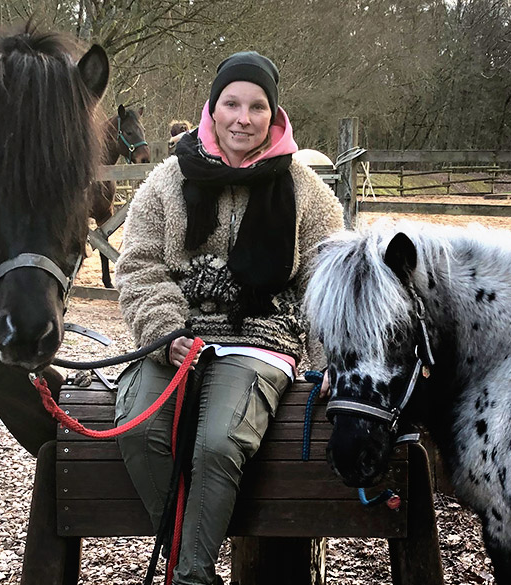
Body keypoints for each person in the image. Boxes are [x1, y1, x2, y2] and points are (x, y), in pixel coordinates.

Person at [114, 50, 344, 585]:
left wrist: (332, 358)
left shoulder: (308, 192)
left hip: (261, 338)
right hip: (177, 336)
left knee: (218, 441)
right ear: (212, 108)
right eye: (232, 103)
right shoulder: (167, 180)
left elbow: (328, 282)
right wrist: (164, 330)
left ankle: (188, 577)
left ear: (274, 115)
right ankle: (188, 562)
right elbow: (140, 264)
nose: (244, 117)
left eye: (257, 106)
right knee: (138, 428)